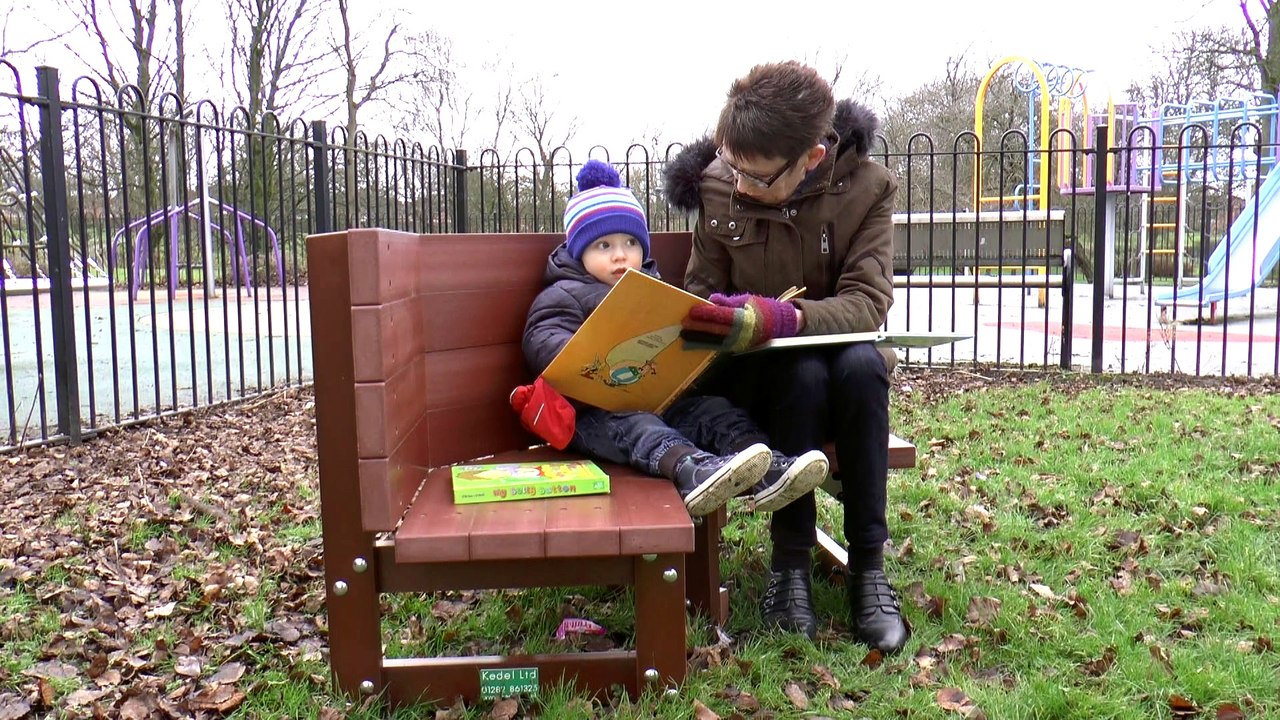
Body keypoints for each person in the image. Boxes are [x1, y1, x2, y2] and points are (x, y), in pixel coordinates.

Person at [662, 61, 909, 652]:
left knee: (862, 365)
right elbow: (699, 294)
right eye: (733, 167)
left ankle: (869, 569)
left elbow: (868, 301)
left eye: (758, 178)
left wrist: (788, 317)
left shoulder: (869, 189)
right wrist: (722, 316)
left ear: (812, 158)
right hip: (761, 381)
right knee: (797, 371)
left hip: (847, 383)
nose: (739, 185)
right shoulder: (721, 182)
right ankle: (790, 566)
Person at [521, 158, 830, 519]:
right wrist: (586, 351)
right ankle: (692, 471)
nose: (621, 255)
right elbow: (541, 338)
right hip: (592, 415)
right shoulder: (563, 294)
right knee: (639, 426)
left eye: (630, 242)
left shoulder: (652, 291)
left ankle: (765, 466)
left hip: (659, 398)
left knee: (714, 411)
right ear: (579, 251)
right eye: (603, 246)